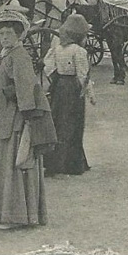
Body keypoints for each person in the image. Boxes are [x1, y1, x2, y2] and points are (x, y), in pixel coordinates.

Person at [0, 5, 57, 230]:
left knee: (15, 163)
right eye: (1, 34)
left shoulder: (20, 56)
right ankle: (8, 213)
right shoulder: (5, 55)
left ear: (18, 35)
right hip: (7, 115)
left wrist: (26, 116)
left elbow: (27, 89)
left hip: (17, 118)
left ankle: (15, 216)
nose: (4, 37)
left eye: (9, 33)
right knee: (7, 163)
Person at [43, 13, 94, 175]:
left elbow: (48, 66)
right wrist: (90, 94)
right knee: (73, 124)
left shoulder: (57, 49)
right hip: (72, 89)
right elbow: (83, 75)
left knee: (59, 122)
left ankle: (54, 162)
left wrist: (55, 78)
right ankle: (72, 164)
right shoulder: (79, 51)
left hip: (60, 87)